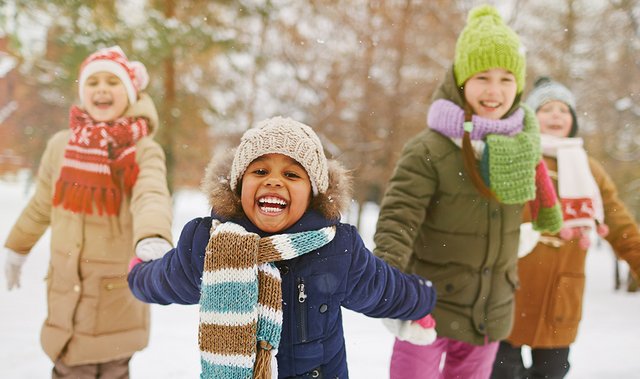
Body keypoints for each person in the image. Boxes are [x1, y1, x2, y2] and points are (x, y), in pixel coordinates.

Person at [127, 116, 437, 378]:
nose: (274, 181)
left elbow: (384, 288)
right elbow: (168, 279)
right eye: (260, 171)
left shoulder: (336, 250)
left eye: (291, 174)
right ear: (238, 186)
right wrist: (139, 275)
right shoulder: (210, 245)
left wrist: (422, 301)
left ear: (313, 193)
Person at [373, 5, 564, 379]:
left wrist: (521, 238)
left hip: (489, 313)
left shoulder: (522, 145)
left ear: (519, 85)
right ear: (461, 79)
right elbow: (397, 223)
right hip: (426, 308)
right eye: (482, 78)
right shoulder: (429, 149)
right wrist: (393, 298)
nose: (494, 91)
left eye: (506, 79)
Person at [3, 46, 173, 378]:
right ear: (83, 92)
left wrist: (152, 234)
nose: (102, 89)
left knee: (110, 367)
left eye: (113, 81)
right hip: (67, 291)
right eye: (93, 82)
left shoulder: (142, 149)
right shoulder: (61, 146)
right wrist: (17, 245)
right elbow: (42, 204)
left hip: (115, 297)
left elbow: (151, 193)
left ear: (130, 91)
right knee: (66, 364)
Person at [490, 77, 640, 379]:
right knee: (501, 371)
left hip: (559, 296)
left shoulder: (589, 169)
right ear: (530, 117)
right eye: (547, 108)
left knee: (553, 371)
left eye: (564, 109)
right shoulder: (512, 157)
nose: (557, 115)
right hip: (509, 288)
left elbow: (620, 223)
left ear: (573, 120)